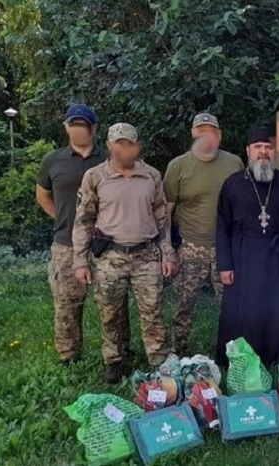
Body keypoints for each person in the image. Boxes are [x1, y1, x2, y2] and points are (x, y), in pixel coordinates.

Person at [72, 123, 177, 383]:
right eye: (118, 143)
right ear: (109, 145)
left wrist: (168, 253)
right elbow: (84, 220)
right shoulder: (95, 177)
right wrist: (80, 261)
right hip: (110, 257)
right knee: (110, 314)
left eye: (129, 144)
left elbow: (162, 218)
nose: (124, 149)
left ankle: (158, 364)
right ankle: (114, 360)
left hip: (146, 256)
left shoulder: (151, 175)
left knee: (153, 314)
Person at [35, 104, 123, 366]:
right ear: (66, 127)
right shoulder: (52, 160)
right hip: (66, 246)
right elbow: (42, 195)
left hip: (106, 245)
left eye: (83, 125)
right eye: (73, 124)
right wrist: (65, 221)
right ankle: (69, 355)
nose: (77, 129)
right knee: (66, 305)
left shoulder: (110, 159)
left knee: (112, 306)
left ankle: (117, 355)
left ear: (94, 128)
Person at [215, 126, 279, 367]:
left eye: (268, 147)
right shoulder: (232, 184)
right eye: (258, 147)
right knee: (242, 310)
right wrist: (225, 264)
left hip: (277, 256)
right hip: (242, 255)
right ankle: (240, 358)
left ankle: (276, 357)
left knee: (275, 308)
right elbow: (222, 225)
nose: (263, 152)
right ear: (248, 151)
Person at [164, 112, 244, 355]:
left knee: (232, 307)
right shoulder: (178, 166)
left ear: (218, 135)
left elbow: (243, 206)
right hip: (190, 247)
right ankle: (178, 353)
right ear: (192, 134)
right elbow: (165, 212)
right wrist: (167, 250)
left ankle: (232, 356)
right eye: (200, 132)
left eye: (210, 132)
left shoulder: (234, 163)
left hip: (225, 249)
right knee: (183, 306)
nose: (205, 136)